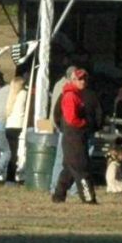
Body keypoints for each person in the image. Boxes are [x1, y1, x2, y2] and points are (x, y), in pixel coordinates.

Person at [50, 64, 97, 205]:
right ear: (73, 80)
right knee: (81, 168)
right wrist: (84, 123)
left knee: (69, 169)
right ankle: (88, 199)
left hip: (73, 136)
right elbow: (71, 118)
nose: (83, 81)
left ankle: (58, 196)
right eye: (80, 79)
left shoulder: (75, 94)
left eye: (85, 79)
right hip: (74, 136)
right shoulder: (70, 96)